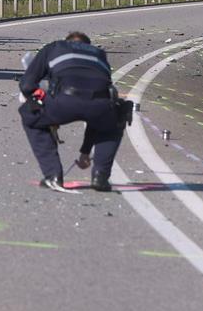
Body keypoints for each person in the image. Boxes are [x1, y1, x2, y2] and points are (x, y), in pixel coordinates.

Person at [19, 31, 125, 193]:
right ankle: (100, 176)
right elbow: (94, 107)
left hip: (63, 101)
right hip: (100, 105)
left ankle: (53, 175)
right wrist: (85, 151)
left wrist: (41, 108)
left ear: (67, 42)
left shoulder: (53, 48)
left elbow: (27, 85)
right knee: (114, 119)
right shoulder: (99, 55)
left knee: (30, 115)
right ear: (87, 45)